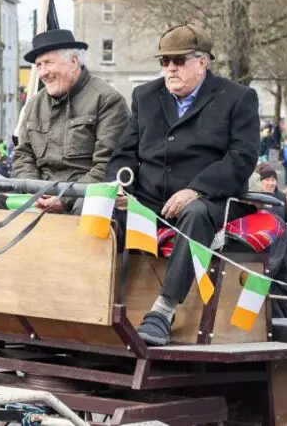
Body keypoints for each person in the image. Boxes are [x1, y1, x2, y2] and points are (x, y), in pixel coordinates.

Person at [106, 23, 259, 347]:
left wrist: (198, 189)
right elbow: (124, 154)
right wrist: (120, 187)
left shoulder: (238, 97)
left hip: (208, 198)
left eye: (178, 61)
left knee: (196, 214)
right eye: (164, 62)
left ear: (202, 62)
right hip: (147, 196)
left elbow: (242, 158)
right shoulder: (145, 96)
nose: (170, 69)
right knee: (96, 213)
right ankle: (99, 302)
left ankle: (163, 310)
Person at [0, 29, 129, 213]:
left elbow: (107, 166)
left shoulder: (107, 100)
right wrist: (37, 191)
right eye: (39, 65)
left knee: (87, 207)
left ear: (74, 61)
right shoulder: (34, 104)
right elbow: (23, 156)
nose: (43, 72)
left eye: (48, 63)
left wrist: (64, 198)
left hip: (81, 196)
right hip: (38, 196)